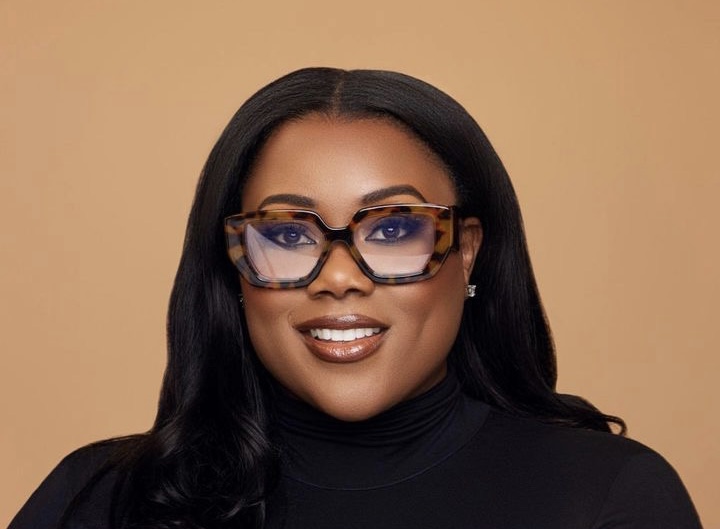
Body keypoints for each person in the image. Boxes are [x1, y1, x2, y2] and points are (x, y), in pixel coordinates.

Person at [10, 67, 702, 529]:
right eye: (287, 233)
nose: (339, 276)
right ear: (234, 266)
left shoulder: (608, 497)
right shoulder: (98, 499)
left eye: (394, 228)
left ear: (466, 250)